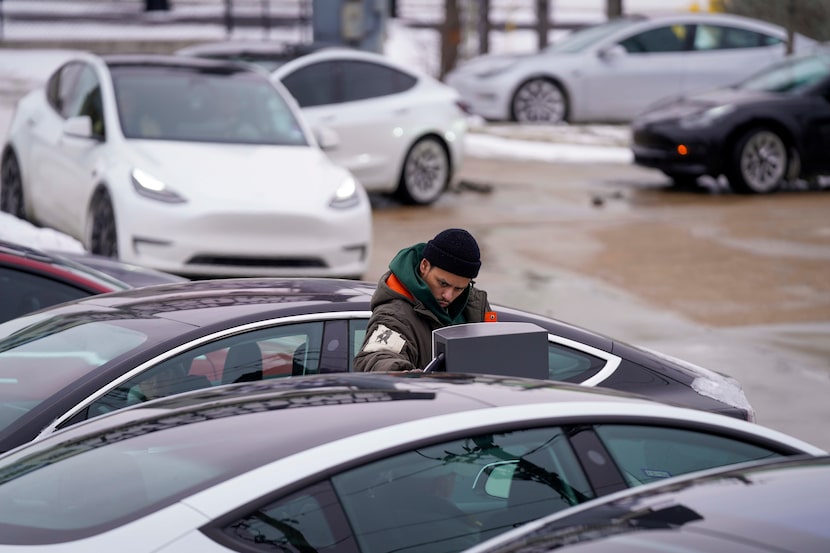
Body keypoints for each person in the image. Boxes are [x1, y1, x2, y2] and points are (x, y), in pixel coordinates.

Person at [354, 228, 492, 372]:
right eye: (443, 283)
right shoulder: (394, 316)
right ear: (424, 266)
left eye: (459, 288)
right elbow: (377, 357)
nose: (448, 296)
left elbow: (496, 350)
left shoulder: (475, 305)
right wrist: (401, 376)